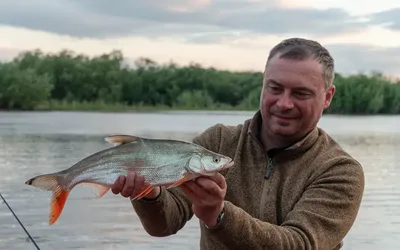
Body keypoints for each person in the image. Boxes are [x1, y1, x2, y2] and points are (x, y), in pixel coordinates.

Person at [111, 37, 365, 249]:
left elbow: (298, 244)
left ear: (327, 96)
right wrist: (149, 193)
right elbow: (164, 224)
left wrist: (219, 215)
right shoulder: (218, 141)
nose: (284, 103)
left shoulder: (340, 171)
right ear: (263, 84)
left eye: (300, 93)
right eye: (275, 88)